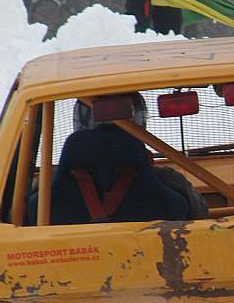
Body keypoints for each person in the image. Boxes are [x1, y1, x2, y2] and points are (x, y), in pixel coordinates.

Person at [72, 94, 208, 220]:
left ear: (80, 121)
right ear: (139, 118)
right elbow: (200, 221)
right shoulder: (170, 182)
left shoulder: (53, 187)